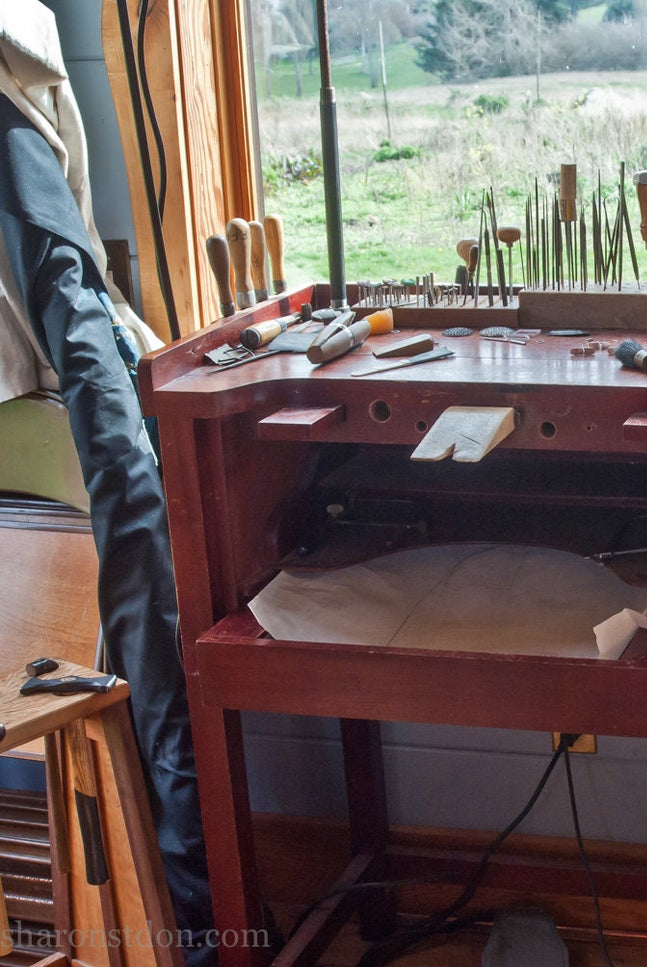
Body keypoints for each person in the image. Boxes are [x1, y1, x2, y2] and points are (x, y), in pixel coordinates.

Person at [0, 4, 214, 964]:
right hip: (51, 431)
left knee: (152, 654)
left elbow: (69, 296)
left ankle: (200, 932)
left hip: (71, 415)